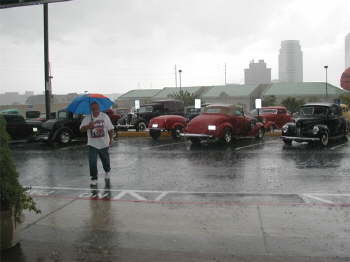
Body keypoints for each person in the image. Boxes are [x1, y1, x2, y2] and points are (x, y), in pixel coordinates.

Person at [80, 102, 114, 186]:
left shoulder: (104, 117)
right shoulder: (87, 118)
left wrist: (111, 139)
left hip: (103, 143)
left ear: (99, 108)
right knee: (92, 162)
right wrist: (88, 126)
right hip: (92, 144)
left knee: (105, 160)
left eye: (96, 108)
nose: (95, 110)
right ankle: (94, 178)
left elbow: (110, 129)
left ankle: (107, 171)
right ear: (91, 109)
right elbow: (81, 129)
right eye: (93, 109)